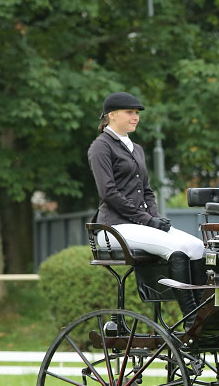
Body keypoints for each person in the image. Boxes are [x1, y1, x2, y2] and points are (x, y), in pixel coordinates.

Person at [87, 91, 206, 318]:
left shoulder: (137, 149)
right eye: (130, 112)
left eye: (137, 113)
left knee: (198, 247)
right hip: (114, 228)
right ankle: (192, 319)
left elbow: (147, 191)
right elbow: (109, 193)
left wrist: (155, 217)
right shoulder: (101, 147)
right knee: (177, 249)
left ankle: (203, 314)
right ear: (111, 115)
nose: (136, 117)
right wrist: (147, 220)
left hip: (139, 225)